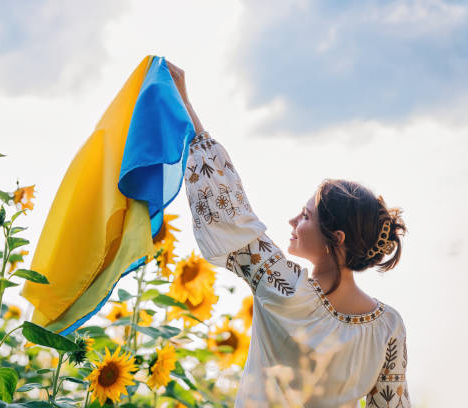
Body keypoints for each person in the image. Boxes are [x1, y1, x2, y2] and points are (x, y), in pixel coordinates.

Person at [169, 61, 412, 407]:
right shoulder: (388, 327)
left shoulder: (284, 289)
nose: (292, 221)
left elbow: (229, 214)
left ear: (337, 238)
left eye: (306, 216)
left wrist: (186, 106)